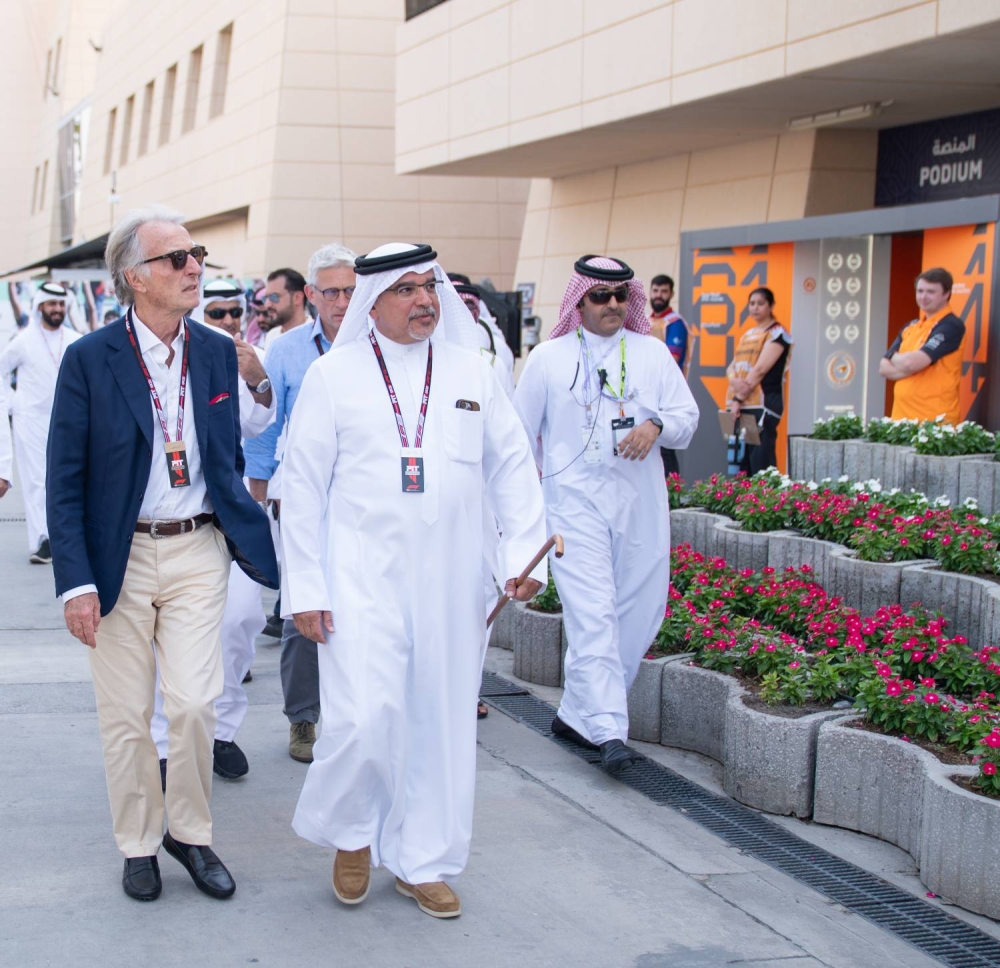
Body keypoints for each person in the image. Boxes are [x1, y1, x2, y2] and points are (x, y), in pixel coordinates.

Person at [281, 242, 547, 919]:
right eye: (406, 289)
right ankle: (352, 833)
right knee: (363, 719)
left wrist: (523, 558)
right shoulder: (332, 377)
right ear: (373, 302)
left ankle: (422, 860)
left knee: (440, 721)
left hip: (453, 578)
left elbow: (513, 467)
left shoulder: (473, 370)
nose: (425, 300)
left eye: (430, 286)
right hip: (358, 578)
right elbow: (302, 490)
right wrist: (305, 588)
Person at [46, 205, 279, 903]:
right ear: (135, 277)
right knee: (125, 716)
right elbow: (63, 479)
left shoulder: (214, 351)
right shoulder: (89, 359)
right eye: (176, 258)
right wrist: (75, 583)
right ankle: (139, 844)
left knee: (195, 704)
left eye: (195, 254)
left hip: (197, 549)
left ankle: (191, 833)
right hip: (117, 555)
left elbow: (235, 441)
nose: (193, 267)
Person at [513, 255, 699, 775]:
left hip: (639, 504)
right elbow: (518, 437)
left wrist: (656, 425)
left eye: (621, 296)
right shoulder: (548, 358)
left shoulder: (652, 352)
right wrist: (525, 507)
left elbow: (687, 418)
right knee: (593, 614)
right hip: (572, 505)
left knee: (640, 611)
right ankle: (610, 730)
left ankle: (577, 713)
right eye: (600, 296)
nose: (613, 304)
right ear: (579, 301)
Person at [150, 279, 276, 784]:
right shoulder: (157, 352)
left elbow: (257, 423)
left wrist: (257, 378)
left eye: (233, 312)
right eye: (216, 312)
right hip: (163, 519)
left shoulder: (235, 354)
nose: (226, 321)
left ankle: (221, 731)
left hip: (225, 515)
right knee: (164, 636)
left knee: (240, 619)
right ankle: (165, 745)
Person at [244, 243, 358, 763]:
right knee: (301, 609)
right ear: (310, 294)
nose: (342, 302)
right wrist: (261, 489)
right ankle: (303, 720)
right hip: (301, 497)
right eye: (331, 292)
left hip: (365, 501)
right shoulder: (287, 350)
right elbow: (269, 425)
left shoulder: (378, 342)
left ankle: (356, 714)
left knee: (362, 607)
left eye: (351, 291)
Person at [0, 282, 82, 563]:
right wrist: (14, 400)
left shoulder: (74, 339)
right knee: (36, 481)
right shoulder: (24, 340)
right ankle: (41, 540)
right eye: (52, 304)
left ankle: (63, 536)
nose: (57, 309)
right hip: (30, 420)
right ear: (40, 306)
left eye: (61, 304)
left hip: (67, 420)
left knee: (66, 479)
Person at [879, 267, 965, 425]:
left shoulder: (951, 325)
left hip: (934, 423)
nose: (923, 297)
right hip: (901, 420)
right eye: (920, 291)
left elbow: (910, 363)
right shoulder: (911, 326)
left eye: (931, 292)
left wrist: (895, 357)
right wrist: (907, 363)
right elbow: (883, 368)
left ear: (946, 294)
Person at [726, 287, 792, 475]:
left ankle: (765, 495)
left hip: (763, 405)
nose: (755, 308)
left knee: (760, 461)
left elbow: (760, 369)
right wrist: (733, 381)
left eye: (761, 303)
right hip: (742, 405)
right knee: (742, 463)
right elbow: (731, 367)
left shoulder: (778, 334)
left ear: (771, 306)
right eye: (752, 304)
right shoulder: (748, 335)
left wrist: (738, 397)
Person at [648, 273, 691, 477]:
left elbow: (671, 360)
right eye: (655, 290)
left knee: (665, 449)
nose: (658, 295)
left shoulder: (675, 323)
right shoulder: (646, 321)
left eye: (664, 291)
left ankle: (672, 490)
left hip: (666, 397)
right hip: (647, 396)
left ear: (671, 294)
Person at [262, 268, 309, 350]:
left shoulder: (317, 336)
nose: (267, 305)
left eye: (274, 297)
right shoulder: (272, 336)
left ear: (297, 298)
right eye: (265, 298)